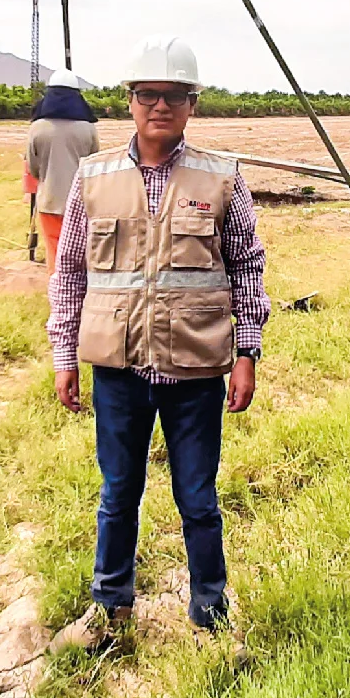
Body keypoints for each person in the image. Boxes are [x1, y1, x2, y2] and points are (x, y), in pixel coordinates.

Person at [47, 35, 269, 652]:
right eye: (149, 94)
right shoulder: (93, 177)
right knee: (118, 496)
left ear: (192, 104)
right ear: (131, 101)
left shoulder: (221, 177)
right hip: (118, 372)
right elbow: (70, 274)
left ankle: (212, 617)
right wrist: (65, 355)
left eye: (174, 96)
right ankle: (109, 611)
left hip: (194, 370)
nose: (160, 106)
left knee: (198, 498)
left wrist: (245, 354)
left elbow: (246, 266)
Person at [26, 69, 99, 274]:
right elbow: (94, 165)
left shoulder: (37, 128)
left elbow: (33, 167)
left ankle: (58, 295)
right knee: (81, 252)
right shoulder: (88, 128)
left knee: (55, 250)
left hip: (49, 202)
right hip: (83, 203)